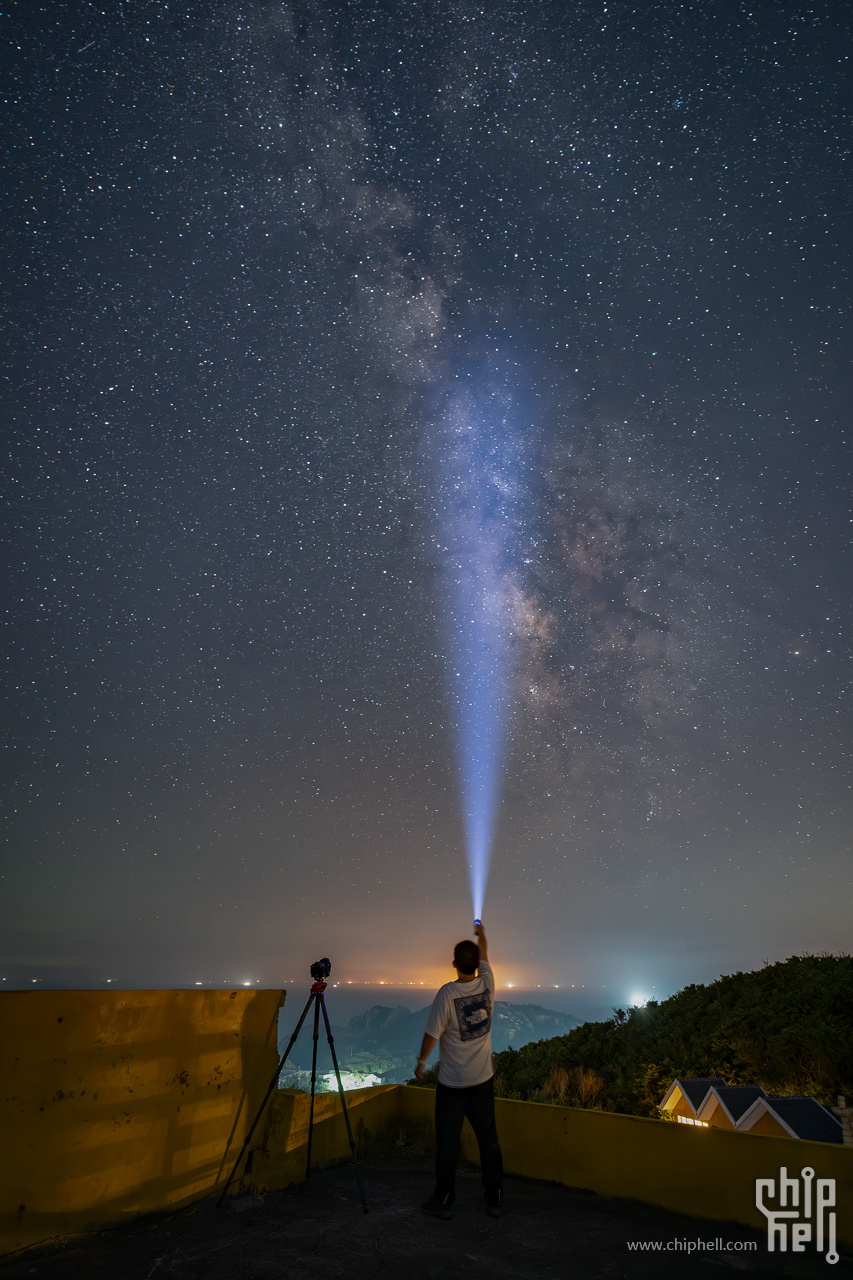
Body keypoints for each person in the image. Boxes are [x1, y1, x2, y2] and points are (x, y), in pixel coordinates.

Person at [414, 920, 504, 1219]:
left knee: (448, 1144)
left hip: (453, 1086)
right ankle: (494, 1199)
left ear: (454, 964)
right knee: (488, 1141)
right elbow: (487, 956)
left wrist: (421, 1062)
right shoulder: (488, 982)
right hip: (483, 1082)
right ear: (477, 963)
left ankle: (444, 1200)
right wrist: (483, 934)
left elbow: (432, 1034)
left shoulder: (447, 994)